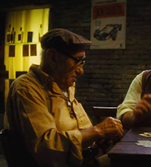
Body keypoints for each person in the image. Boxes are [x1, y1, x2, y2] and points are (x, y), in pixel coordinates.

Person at [3, 28, 124, 167]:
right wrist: (98, 131)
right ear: (53, 57)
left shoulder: (65, 85)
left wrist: (96, 138)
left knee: (134, 159)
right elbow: (46, 147)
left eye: (83, 62)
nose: (81, 71)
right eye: (78, 61)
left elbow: (79, 130)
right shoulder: (27, 87)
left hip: (86, 159)